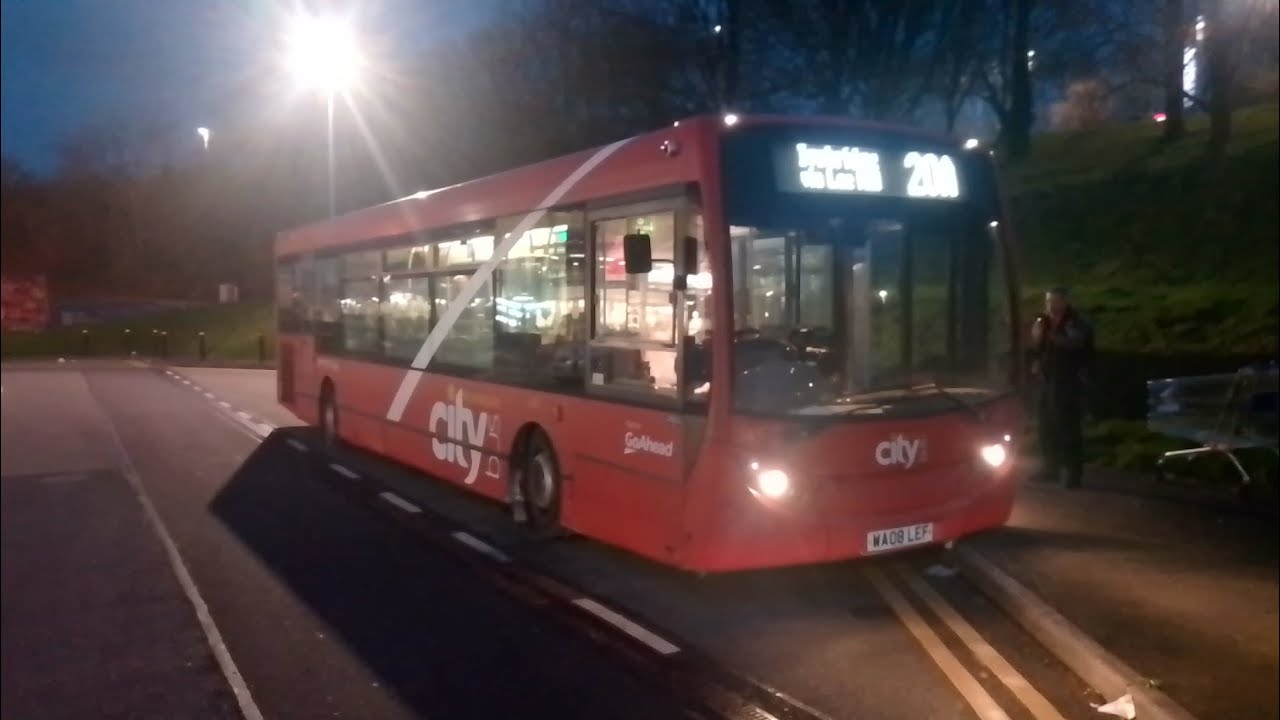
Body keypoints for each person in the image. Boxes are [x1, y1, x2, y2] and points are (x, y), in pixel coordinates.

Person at [1029, 286, 1094, 488]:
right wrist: (1036, 345)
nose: (1051, 306)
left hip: (1068, 380)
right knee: (1045, 425)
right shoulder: (1043, 320)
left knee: (1067, 426)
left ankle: (1073, 472)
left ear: (1065, 302)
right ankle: (1050, 468)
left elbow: (1074, 344)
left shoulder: (1076, 322)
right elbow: (1037, 348)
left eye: (1055, 301)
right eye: (1048, 301)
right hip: (1046, 379)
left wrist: (1049, 335)